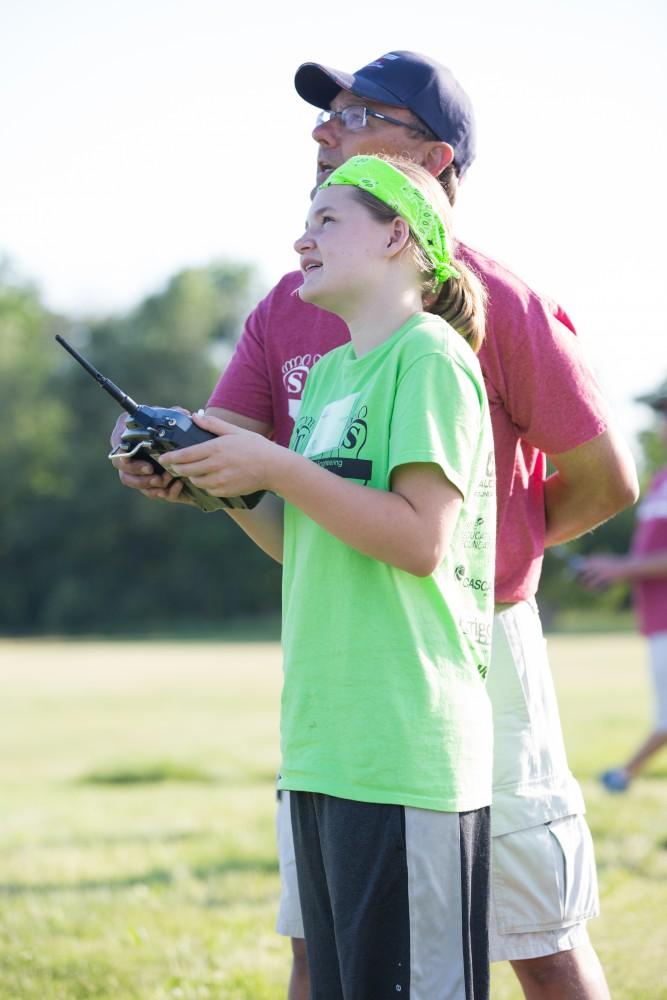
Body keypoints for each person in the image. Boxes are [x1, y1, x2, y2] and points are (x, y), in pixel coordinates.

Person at [113, 52, 638, 1000]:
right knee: (325, 949)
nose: (325, 133)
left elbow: (606, 480)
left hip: (468, 655)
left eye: (357, 118)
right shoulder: (292, 300)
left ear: (430, 163)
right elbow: (236, 446)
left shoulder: (488, 305)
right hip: (343, 666)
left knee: (537, 939)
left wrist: (479, 556)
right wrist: (165, 454)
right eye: (327, 118)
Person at [161, 154, 496, 998]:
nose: (300, 240)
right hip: (326, 745)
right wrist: (223, 488)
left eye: (326, 221)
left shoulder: (428, 357)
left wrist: (273, 462)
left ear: (396, 236)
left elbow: (420, 539)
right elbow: (302, 541)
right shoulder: (334, 375)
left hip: (404, 749)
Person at [579, 378, 667, 793]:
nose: (659, 423)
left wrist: (622, 568)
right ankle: (625, 773)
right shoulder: (660, 479)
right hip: (657, 622)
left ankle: (624, 774)